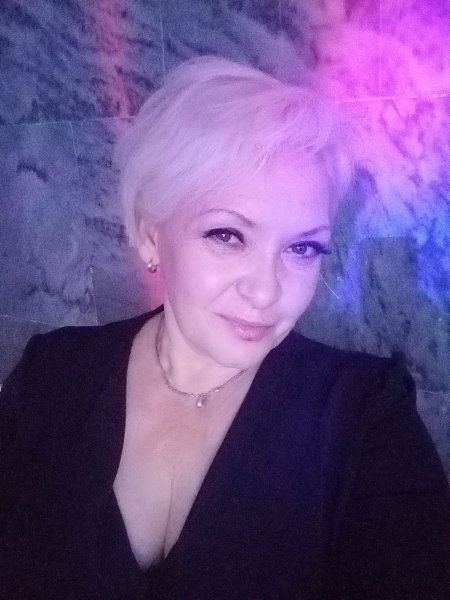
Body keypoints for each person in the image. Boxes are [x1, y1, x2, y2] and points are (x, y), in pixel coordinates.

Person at [1, 56, 449, 600]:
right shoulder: (52, 374)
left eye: (302, 248)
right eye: (227, 235)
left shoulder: (365, 414)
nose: (265, 291)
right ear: (150, 235)